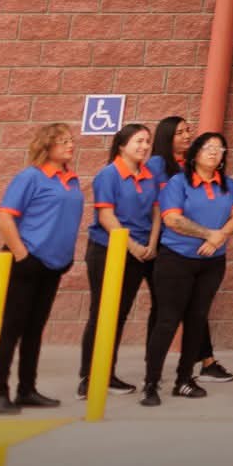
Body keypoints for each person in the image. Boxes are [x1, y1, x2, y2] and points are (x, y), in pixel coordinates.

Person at [0, 122, 85, 414]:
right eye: (62, 141)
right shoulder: (30, 177)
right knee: (12, 329)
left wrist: (65, 257)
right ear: (46, 145)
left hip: (52, 266)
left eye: (70, 140)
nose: (70, 145)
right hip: (26, 263)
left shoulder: (71, 180)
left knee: (34, 329)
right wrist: (22, 255)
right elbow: (4, 217)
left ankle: (27, 389)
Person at [143, 131, 233, 406]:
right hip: (177, 259)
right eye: (208, 147)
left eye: (220, 148)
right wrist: (209, 234)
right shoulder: (178, 182)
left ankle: (184, 379)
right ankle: (151, 382)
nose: (214, 152)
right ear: (195, 153)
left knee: (197, 319)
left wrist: (218, 238)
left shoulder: (228, 184)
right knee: (167, 321)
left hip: (213, 262)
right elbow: (172, 219)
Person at [78, 122, 159, 397]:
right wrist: (133, 246)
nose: (144, 146)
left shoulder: (148, 175)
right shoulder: (109, 175)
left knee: (119, 315)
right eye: (138, 141)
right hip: (108, 251)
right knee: (102, 313)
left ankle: (107, 372)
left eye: (147, 141)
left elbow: (156, 212)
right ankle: (89, 377)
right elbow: (106, 216)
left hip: (140, 252)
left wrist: (150, 244)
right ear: (122, 145)